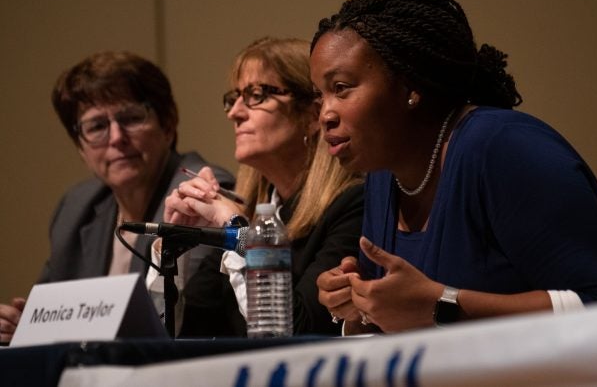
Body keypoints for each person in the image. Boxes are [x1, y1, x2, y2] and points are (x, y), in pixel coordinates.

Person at [310, 0, 597, 335]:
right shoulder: (382, 177)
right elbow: (405, 326)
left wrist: (442, 306)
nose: (325, 115)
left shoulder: (504, 149)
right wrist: (359, 310)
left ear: (409, 86)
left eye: (341, 87)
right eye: (320, 95)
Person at [0, 50, 235, 343]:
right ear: (80, 147)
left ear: (168, 123)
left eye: (131, 118)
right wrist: (25, 328)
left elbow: (177, 313)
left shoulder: (201, 192)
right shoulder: (76, 208)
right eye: (97, 126)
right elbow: (52, 312)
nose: (116, 138)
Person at [163, 37, 364, 336]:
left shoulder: (352, 204)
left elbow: (295, 332)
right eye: (234, 98)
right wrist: (178, 247)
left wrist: (239, 232)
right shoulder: (250, 209)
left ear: (311, 115)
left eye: (256, 95)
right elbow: (189, 332)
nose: (235, 113)